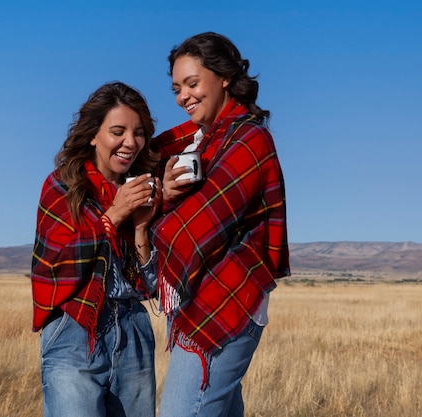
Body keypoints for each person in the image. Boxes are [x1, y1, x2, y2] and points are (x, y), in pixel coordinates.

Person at [151, 32, 291, 417]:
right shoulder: (197, 143)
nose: (184, 97)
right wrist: (162, 191)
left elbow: (202, 222)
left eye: (193, 83)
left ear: (225, 77)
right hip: (196, 297)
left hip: (224, 301)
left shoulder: (248, 140)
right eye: (177, 88)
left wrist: (156, 210)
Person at [30, 81, 162, 417]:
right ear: (92, 135)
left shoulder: (138, 189)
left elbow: (147, 285)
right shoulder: (62, 185)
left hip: (133, 326)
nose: (130, 143)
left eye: (139, 133)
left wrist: (142, 226)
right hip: (76, 327)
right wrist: (114, 214)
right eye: (118, 131)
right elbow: (56, 266)